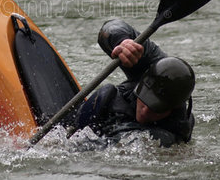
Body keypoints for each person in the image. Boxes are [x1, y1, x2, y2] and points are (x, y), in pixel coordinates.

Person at [74, 19, 195, 147]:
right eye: (145, 98)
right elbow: (111, 27)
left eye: (156, 108)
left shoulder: (167, 136)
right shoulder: (152, 63)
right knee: (105, 93)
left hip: (115, 138)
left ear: (172, 109)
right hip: (105, 117)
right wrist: (123, 42)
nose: (144, 112)